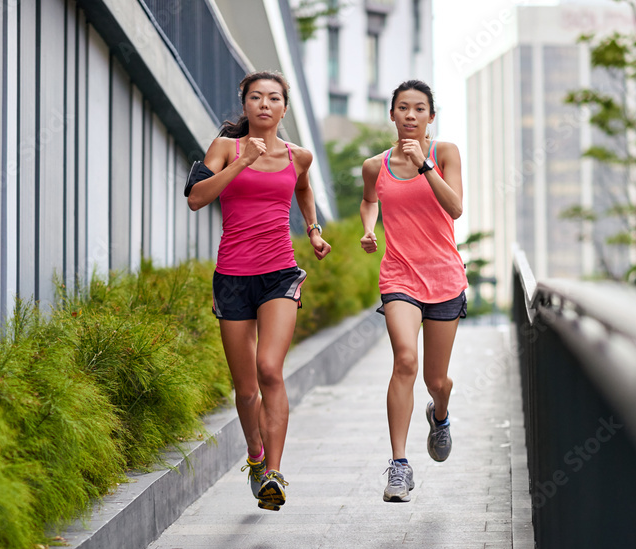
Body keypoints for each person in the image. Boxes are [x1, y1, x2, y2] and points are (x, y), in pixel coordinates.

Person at [187, 71, 331, 511]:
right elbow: (195, 198)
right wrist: (242, 162)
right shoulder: (225, 148)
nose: (264, 104)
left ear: (284, 108)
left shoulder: (298, 156)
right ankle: (255, 454)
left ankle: (274, 473)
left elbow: (303, 188)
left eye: (273, 98)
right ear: (245, 104)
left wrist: (313, 229)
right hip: (232, 277)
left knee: (270, 368)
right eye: (256, 97)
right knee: (246, 389)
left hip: (279, 274)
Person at [359, 79, 467, 503]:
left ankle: (439, 414)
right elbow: (370, 200)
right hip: (399, 276)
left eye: (419, 108)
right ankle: (399, 466)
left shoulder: (445, 153)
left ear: (430, 117)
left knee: (436, 379)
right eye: (402, 107)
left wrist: (425, 165)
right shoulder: (375, 166)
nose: (410, 115)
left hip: (444, 278)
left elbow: (455, 208)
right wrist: (369, 229)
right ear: (392, 114)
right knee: (405, 359)